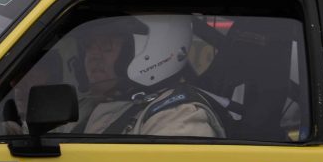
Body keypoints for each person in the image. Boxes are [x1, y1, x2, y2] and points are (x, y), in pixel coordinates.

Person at [69, 14, 225, 137]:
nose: (93, 56)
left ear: (155, 49)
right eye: (88, 46)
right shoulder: (84, 107)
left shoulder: (177, 119)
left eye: (106, 45)